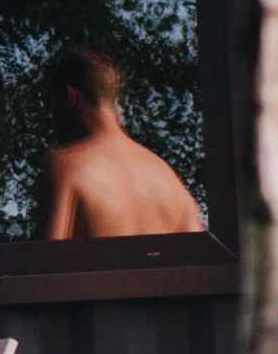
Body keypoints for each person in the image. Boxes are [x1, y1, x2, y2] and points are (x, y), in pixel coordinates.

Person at [34, 44, 204, 239]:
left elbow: (47, 265)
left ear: (71, 97)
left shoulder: (66, 168)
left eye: (53, 104)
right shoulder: (172, 183)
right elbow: (202, 263)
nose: (52, 116)